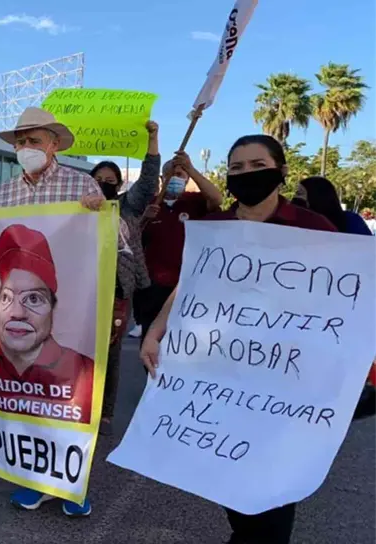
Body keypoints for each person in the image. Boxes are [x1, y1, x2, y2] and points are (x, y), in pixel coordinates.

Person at [141, 134, 335, 544]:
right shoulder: (213, 229)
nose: (246, 174)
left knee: (273, 489)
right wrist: (156, 331)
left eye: (256, 165)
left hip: (285, 381)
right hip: (220, 376)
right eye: (236, 168)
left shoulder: (315, 229)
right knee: (229, 472)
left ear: (281, 171)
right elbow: (186, 287)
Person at [0, 107, 104, 517]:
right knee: (22, 404)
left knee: (68, 400)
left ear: (55, 144)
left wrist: (101, 217)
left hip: (70, 315)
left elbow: (114, 245)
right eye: (20, 142)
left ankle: (70, 485)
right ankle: (33, 480)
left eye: (34, 140)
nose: (26, 148)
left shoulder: (84, 186)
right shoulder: (2, 193)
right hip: (15, 317)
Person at [0, 224, 94, 423]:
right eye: (6, 297)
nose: (17, 313)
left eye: (33, 299)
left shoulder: (84, 371)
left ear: (53, 309)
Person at [88, 121, 160, 433]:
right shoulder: (74, 207)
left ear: (118, 185)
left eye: (110, 180)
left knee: (111, 351)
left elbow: (147, 183)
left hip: (117, 288)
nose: (104, 184)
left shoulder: (127, 206)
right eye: (99, 179)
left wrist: (152, 140)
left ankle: (104, 413)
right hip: (81, 288)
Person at [137, 151, 224, 354]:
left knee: (185, 344)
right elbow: (131, 238)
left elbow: (217, 199)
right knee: (151, 344)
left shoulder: (196, 202)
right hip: (153, 288)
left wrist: (190, 168)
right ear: (162, 178)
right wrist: (144, 219)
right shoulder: (149, 203)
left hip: (188, 285)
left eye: (181, 175)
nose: (176, 178)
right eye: (171, 174)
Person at [294, 176, 372, 235]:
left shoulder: (352, 220)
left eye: (299, 193)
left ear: (316, 197)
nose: (295, 197)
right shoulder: (294, 221)